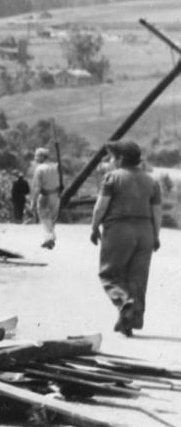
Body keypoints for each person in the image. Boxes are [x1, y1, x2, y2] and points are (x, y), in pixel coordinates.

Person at [89, 140, 162, 337]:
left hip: (119, 230)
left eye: (112, 157)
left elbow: (100, 207)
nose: (111, 161)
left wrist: (94, 228)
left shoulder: (112, 177)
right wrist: (156, 235)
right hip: (145, 231)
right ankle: (130, 321)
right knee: (137, 279)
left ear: (121, 159)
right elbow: (157, 213)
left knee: (110, 275)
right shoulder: (152, 181)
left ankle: (124, 303)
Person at [29, 147, 62, 249]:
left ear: (42, 156)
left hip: (45, 196)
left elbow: (37, 187)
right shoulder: (56, 166)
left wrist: (33, 201)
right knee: (52, 219)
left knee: (44, 217)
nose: (35, 158)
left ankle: (49, 238)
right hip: (56, 196)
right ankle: (50, 239)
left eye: (36, 155)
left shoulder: (39, 169)